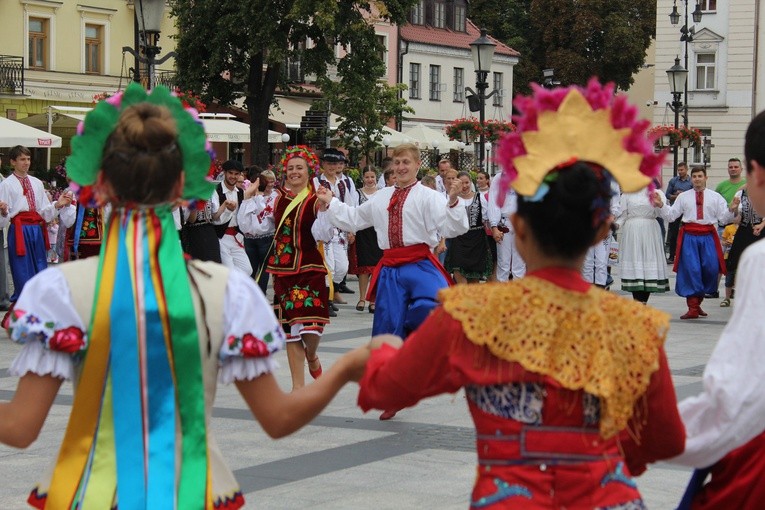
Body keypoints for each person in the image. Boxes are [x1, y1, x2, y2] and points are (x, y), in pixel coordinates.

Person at [0, 85, 368, 509]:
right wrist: (348, 368)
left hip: (87, 491)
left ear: (97, 183)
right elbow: (279, 418)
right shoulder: (228, 292)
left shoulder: (58, 291)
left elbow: (21, 427)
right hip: (192, 490)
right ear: (182, 185)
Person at [358, 80, 685, 508]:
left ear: (521, 229)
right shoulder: (638, 326)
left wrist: (375, 353)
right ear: (603, 230)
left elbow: (384, 391)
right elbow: (666, 438)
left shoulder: (471, 313)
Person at [670, 109, 765, 510]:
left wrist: (657, 433)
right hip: (692, 235)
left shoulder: (761, 261)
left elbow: (738, 395)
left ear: (756, 174)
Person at [316, 142, 467, 339]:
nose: (401, 167)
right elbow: (354, 218)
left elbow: (452, 227)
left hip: (420, 265)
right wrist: (331, 201)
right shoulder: (381, 196)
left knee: (432, 306)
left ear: (417, 165)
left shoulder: (429, 196)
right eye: (397, 162)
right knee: (389, 324)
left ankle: (421, 348)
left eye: (406, 162)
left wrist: (453, 201)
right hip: (391, 269)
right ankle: (393, 360)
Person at [264, 145, 335, 390]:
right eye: (290, 168)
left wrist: (326, 209)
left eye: (299, 168)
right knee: (291, 331)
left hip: (309, 268)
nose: (294, 172)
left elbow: (324, 234)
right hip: (282, 273)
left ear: (309, 171)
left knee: (312, 329)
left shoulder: (316, 198)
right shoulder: (276, 199)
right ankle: (297, 388)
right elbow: (259, 228)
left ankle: (312, 355)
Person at [653, 166, 738, 319]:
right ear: (691, 179)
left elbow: (724, 219)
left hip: (708, 237)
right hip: (689, 237)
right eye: (694, 176)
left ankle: (697, 303)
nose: (697, 179)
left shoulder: (715, 197)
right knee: (691, 270)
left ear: (706, 178)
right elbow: (672, 216)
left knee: (711, 269)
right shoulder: (683, 197)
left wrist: (731, 209)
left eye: (700, 176)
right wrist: (661, 205)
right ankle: (692, 307)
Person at [0, 146, 75, 304]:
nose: (26, 163)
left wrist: (57, 205)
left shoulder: (37, 183)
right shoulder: (6, 184)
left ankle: (41, 305)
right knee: (21, 269)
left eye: (28, 159)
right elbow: (4, 218)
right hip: (19, 230)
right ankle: (23, 306)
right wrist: (4, 211)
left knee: (40, 266)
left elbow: (43, 212)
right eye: (22, 159)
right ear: (13, 162)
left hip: (37, 230)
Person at [315, 148, 357, 302]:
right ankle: (327, 299)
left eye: (335, 163)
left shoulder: (342, 184)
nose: (332, 167)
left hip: (340, 231)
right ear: (323, 164)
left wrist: (351, 229)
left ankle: (332, 290)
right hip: (324, 228)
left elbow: (349, 206)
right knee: (328, 266)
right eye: (329, 163)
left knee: (342, 267)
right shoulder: (316, 182)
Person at [616, 187, 670, 303]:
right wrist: (614, 226)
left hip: (650, 231)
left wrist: (660, 204)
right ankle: (638, 303)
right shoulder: (627, 193)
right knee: (636, 267)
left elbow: (667, 216)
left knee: (647, 268)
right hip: (632, 232)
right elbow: (623, 216)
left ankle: (642, 303)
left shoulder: (657, 193)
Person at [719, 185, 763, 307]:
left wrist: (762, 224)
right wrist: (732, 209)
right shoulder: (741, 192)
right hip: (744, 231)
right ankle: (729, 296)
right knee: (734, 262)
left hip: (760, 230)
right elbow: (729, 217)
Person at [444, 171, 492, 283]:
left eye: (467, 182)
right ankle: (461, 299)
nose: (465, 186)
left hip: (476, 240)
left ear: (471, 182)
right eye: (462, 183)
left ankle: (472, 299)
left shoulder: (480, 197)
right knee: (458, 272)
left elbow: (486, 217)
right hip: (459, 239)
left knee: (474, 277)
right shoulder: (453, 199)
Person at [348, 167, 383, 313]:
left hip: (377, 233)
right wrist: (352, 231)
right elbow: (353, 211)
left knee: (376, 268)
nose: (370, 180)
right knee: (363, 268)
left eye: (372, 177)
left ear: (376, 178)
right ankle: (362, 298)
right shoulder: (357, 193)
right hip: (362, 232)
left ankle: (373, 300)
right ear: (363, 178)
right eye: (367, 177)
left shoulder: (382, 194)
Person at [238, 168, 277, 295]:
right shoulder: (247, 198)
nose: (269, 184)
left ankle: (261, 295)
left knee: (264, 271)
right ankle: (249, 297)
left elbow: (270, 215)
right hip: (250, 239)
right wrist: (249, 196)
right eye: (266, 182)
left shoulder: (275, 196)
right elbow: (242, 223)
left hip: (266, 238)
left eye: (271, 181)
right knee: (250, 270)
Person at [212, 160, 252, 275]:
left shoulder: (240, 192)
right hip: (221, 237)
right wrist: (228, 210)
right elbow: (215, 219)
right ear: (224, 173)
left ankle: (232, 288)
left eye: (236, 174)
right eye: (230, 173)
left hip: (236, 237)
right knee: (229, 271)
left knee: (247, 270)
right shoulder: (216, 191)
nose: (233, 176)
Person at [487, 169, 526, 282]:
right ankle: (501, 296)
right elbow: (493, 202)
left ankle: (518, 295)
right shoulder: (499, 178)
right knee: (503, 264)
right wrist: (494, 226)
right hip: (504, 223)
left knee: (519, 265)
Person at [665, 162, 693, 264]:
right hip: (675, 209)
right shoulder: (673, 181)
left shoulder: (691, 182)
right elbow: (667, 195)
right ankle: (672, 256)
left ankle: (684, 255)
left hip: (687, 211)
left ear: (686, 170)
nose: (680, 172)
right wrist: (677, 196)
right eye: (679, 170)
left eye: (682, 170)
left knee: (686, 233)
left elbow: (694, 194)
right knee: (673, 234)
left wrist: (684, 196)